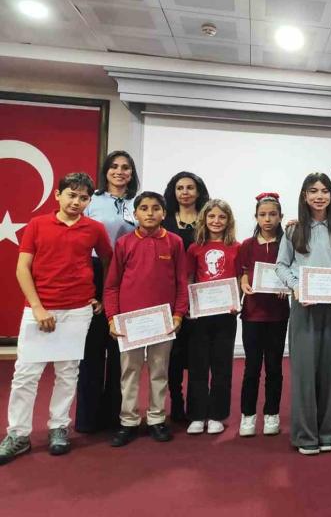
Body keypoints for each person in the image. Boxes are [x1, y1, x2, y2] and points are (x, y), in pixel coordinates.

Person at [0, 173, 111, 465]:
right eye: (71, 195)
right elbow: (22, 268)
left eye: (83, 198)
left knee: (68, 371)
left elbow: (109, 262)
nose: (76, 202)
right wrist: (38, 308)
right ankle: (18, 434)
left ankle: (59, 426)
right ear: (58, 195)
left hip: (77, 311)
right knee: (26, 374)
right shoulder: (37, 225)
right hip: (39, 309)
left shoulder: (95, 229)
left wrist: (100, 296)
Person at [276, 173, 331, 455]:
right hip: (304, 307)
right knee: (305, 372)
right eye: (313, 191)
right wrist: (296, 287)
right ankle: (305, 435)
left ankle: (328, 432)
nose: (319, 196)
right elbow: (281, 265)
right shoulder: (293, 230)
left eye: (324, 191)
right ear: (304, 196)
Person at [106, 192, 189, 447]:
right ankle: (128, 421)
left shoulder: (174, 242)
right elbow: (112, 285)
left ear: (164, 213)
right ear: (135, 213)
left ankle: (156, 419)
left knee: (159, 371)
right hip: (129, 322)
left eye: (155, 208)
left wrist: (178, 314)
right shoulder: (124, 243)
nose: (150, 213)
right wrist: (112, 318)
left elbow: (182, 282)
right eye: (144, 208)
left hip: (162, 321)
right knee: (129, 372)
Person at [76, 151, 139, 434]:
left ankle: (115, 415)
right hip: (95, 271)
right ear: (106, 171)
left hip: (129, 273)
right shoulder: (92, 200)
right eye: (114, 166)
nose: (119, 171)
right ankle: (88, 418)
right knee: (91, 349)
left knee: (119, 348)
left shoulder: (139, 202)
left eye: (125, 167)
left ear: (132, 173)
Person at [186, 199, 241, 435]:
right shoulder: (195, 248)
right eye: (211, 217)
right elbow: (189, 278)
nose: (216, 221)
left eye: (221, 217)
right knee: (198, 366)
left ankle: (217, 415)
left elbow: (239, 279)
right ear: (204, 219)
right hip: (200, 315)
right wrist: (189, 305)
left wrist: (238, 302)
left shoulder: (236, 247)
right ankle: (197, 415)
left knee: (222, 366)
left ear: (228, 221)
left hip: (225, 315)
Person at [237, 193, 290, 437]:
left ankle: (272, 414)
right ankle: (248, 415)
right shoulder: (247, 245)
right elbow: (243, 272)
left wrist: (286, 286)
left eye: (272, 214)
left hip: (278, 314)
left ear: (280, 217)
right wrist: (244, 283)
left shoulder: (287, 243)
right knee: (251, 368)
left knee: (274, 367)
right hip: (253, 314)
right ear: (256, 217)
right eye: (262, 214)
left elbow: (293, 271)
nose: (267, 219)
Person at [162, 171, 211, 423]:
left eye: (190, 187)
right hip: (170, 295)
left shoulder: (209, 220)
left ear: (198, 191)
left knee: (198, 355)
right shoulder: (164, 220)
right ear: (173, 192)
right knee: (173, 355)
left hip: (203, 297)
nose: (185, 192)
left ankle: (196, 407)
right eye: (180, 188)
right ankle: (176, 402)